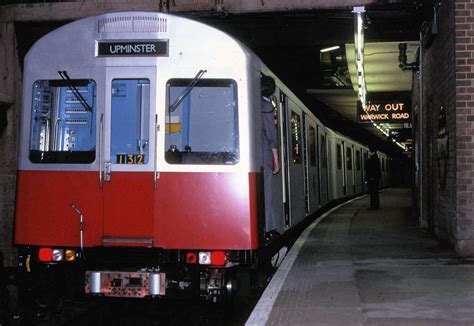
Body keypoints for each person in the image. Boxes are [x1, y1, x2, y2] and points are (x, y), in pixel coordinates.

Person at [261, 74, 280, 241]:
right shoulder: (267, 106)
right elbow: (271, 135)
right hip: (264, 156)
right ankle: (267, 229)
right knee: (266, 194)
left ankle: (272, 227)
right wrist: (276, 160)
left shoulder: (249, 103)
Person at [365, 144, 381, 210]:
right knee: (374, 193)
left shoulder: (374, 157)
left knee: (373, 192)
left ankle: (374, 206)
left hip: (373, 178)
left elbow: (373, 169)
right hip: (374, 178)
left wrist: (372, 177)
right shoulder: (375, 157)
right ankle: (374, 205)